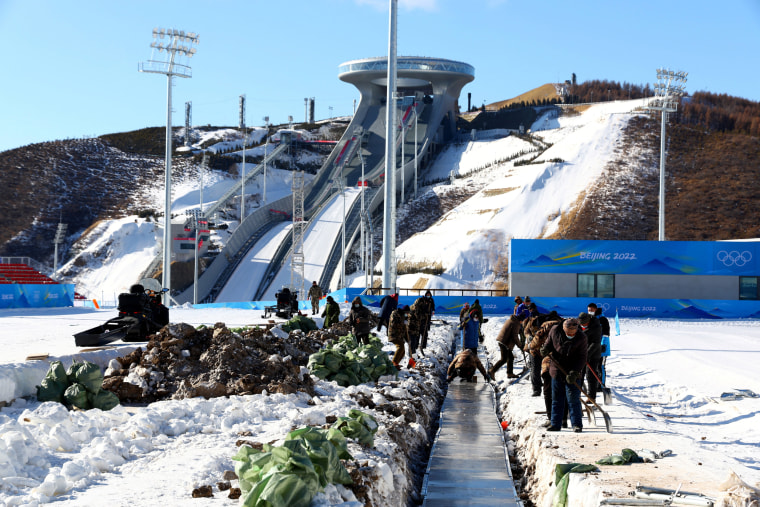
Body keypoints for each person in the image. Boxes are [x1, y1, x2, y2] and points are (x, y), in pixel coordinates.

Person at [541, 318, 588, 433]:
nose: (570, 335)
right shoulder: (555, 330)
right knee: (557, 399)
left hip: (572, 372)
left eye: (572, 333)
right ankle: (555, 424)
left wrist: (575, 372)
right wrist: (545, 349)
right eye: (568, 333)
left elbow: (582, 357)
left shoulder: (581, 337)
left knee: (573, 399)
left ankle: (577, 424)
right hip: (557, 369)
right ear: (563, 329)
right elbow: (548, 343)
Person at [488, 312, 527, 379]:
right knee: (504, 359)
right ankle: (492, 370)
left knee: (510, 358)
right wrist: (520, 346)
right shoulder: (516, 323)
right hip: (505, 343)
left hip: (503, 341)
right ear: (521, 320)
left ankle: (510, 373)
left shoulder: (511, 320)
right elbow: (515, 336)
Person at [578, 311, 602, 401]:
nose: (583, 325)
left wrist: (586, 355)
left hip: (593, 354)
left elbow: (595, 343)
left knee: (590, 375)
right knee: (580, 374)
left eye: (584, 324)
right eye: (581, 324)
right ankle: (577, 395)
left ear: (588, 321)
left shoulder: (596, 327)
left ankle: (591, 397)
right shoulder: (579, 325)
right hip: (581, 353)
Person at [588, 303, 611, 384]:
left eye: (591, 310)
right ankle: (595, 384)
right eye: (588, 310)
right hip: (592, 347)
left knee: (600, 366)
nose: (589, 312)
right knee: (593, 367)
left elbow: (606, 334)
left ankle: (601, 385)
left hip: (602, 348)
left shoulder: (603, 320)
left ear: (596, 309)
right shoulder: (590, 319)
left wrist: (603, 345)